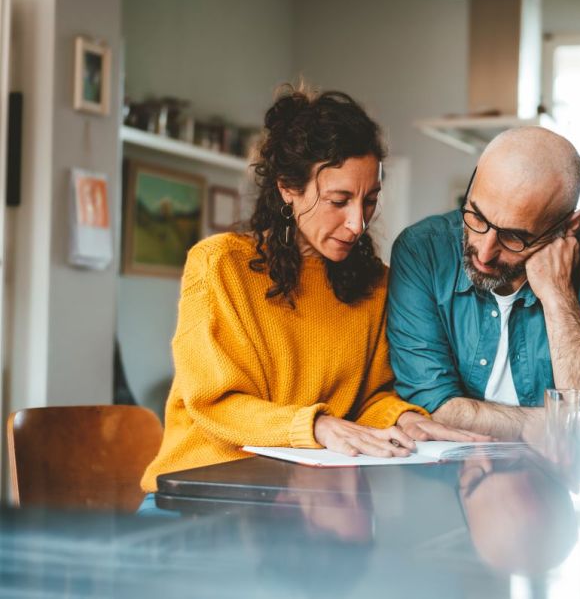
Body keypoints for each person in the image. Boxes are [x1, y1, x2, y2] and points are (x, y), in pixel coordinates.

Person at [139, 85, 483, 509]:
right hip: (200, 496)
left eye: (370, 200)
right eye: (339, 200)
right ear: (288, 188)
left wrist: (404, 418)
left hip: (308, 502)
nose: (358, 222)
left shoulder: (376, 284)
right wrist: (317, 425)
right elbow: (214, 403)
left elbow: (371, 397)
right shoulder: (219, 266)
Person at [387, 127, 580, 441]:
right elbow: (430, 404)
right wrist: (555, 424)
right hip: (449, 471)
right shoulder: (423, 250)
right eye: (477, 217)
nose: (484, 252)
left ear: (568, 227)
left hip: (562, 477)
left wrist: (558, 296)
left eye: (515, 237)